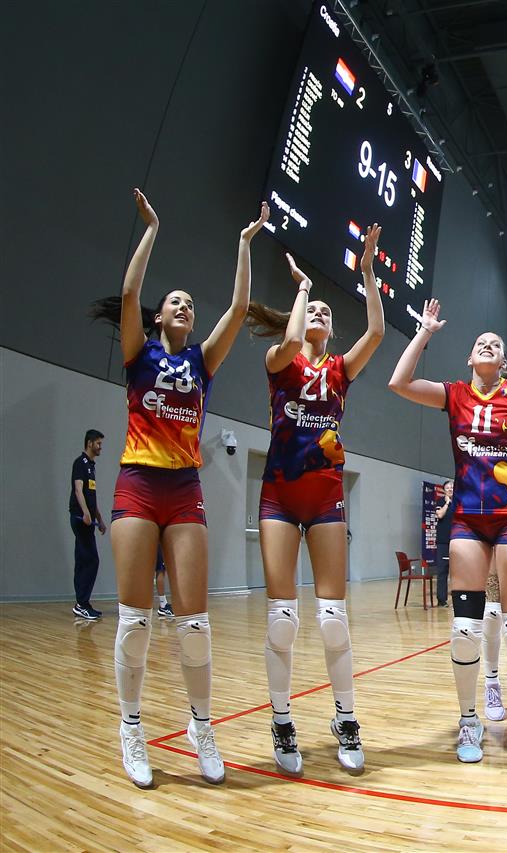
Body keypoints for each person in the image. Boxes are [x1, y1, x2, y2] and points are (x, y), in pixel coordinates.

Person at [90, 190, 265, 788]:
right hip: (138, 484)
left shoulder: (201, 362)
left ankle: (201, 727)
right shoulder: (138, 355)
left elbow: (238, 308)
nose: (185, 305)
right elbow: (130, 294)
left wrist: (244, 243)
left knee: (194, 623)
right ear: (160, 317)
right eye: (176, 302)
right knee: (135, 620)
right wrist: (152, 229)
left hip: (185, 488)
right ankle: (131, 728)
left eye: (190, 302)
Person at [388, 299, 507, 766]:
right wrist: (425, 331)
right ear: (470, 357)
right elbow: (399, 383)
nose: (488, 344)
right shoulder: (454, 394)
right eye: (480, 343)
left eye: (495, 343)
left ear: (503, 360)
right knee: (465, 628)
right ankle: (468, 720)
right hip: (469, 519)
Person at [243, 224, 386, 775]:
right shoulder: (280, 362)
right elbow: (287, 344)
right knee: (282, 618)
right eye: (314, 311)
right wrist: (302, 290)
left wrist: (367, 271)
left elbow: (376, 331)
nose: (321, 314)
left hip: (326, 496)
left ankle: (345, 718)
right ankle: (281, 721)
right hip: (279, 495)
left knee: (333, 620)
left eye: (327, 311)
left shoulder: (340, 370)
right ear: (301, 319)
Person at [70, 429, 107, 620]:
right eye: (98, 443)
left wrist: (99, 519)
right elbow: (78, 490)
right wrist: (85, 512)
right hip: (80, 519)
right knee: (91, 560)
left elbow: (91, 496)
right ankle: (81, 603)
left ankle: (82, 603)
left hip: (89, 521)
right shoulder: (80, 463)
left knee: (83, 560)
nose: (100, 447)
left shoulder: (91, 466)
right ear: (90, 443)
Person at [435, 481, 455, 605]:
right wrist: (447, 503)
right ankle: (442, 600)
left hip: (457, 540)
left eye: (452, 487)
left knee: (458, 571)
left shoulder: (459, 502)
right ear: (444, 490)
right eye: (447, 487)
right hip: (443, 541)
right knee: (442, 571)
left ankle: (459, 598)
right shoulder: (440, 502)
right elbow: (440, 515)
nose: (450, 489)